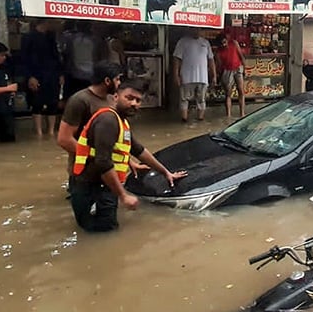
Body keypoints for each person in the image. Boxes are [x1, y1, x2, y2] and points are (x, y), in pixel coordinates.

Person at [70, 79, 188, 232]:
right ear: (115, 97)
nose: (134, 103)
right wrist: (123, 195)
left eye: (138, 100)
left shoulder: (121, 122)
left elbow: (139, 151)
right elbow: (103, 162)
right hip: (91, 189)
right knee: (101, 233)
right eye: (129, 98)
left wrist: (166, 173)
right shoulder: (108, 120)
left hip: (103, 187)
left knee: (106, 230)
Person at [58, 61, 126, 177]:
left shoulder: (111, 99)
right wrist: (97, 155)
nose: (119, 83)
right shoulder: (79, 101)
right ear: (107, 81)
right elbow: (64, 139)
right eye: (117, 79)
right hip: (85, 171)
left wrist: (129, 161)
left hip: (107, 169)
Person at [20, 18, 64, 136]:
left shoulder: (51, 37)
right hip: (36, 75)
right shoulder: (28, 37)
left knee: (53, 103)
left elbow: (57, 58)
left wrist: (60, 74)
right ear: (47, 22)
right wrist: (30, 76)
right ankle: (38, 132)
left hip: (52, 75)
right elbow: (23, 59)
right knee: (37, 103)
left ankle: (51, 131)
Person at [173, 28, 216, 122]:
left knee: (201, 100)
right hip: (186, 77)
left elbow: (211, 60)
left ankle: (200, 120)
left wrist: (214, 75)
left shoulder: (206, 42)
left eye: (199, 30)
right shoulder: (183, 42)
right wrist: (176, 75)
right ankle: (184, 120)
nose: (197, 31)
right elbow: (177, 59)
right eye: (195, 29)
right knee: (184, 99)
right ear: (190, 30)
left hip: (202, 78)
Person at [215, 34, 247, 118]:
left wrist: (245, 68)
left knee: (241, 91)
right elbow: (219, 65)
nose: (224, 45)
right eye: (222, 44)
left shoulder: (234, 43)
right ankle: (228, 115)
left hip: (238, 68)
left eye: (225, 42)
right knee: (228, 94)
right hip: (227, 71)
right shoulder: (218, 52)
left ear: (227, 40)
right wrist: (219, 75)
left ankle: (242, 113)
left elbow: (241, 56)